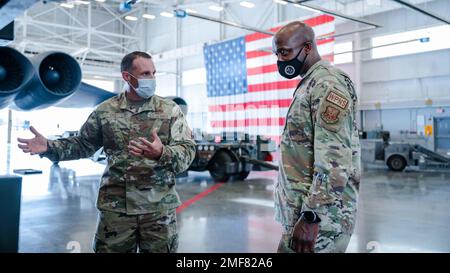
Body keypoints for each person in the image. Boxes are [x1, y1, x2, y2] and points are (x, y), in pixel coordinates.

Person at [17, 51, 196, 253]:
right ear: (127, 77)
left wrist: (162, 152)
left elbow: (187, 151)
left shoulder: (170, 110)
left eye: (153, 73)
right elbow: (84, 144)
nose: (152, 79)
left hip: (158, 210)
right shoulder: (105, 111)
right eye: (145, 74)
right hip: (115, 210)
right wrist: (50, 147)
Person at [272, 22, 361, 253]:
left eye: (285, 52)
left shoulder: (327, 84)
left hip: (321, 221)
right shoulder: (310, 83)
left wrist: (312, 216)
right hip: (302, 213)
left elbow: (335, 159)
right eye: (277, 53)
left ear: (308, 47)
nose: (281, 60)